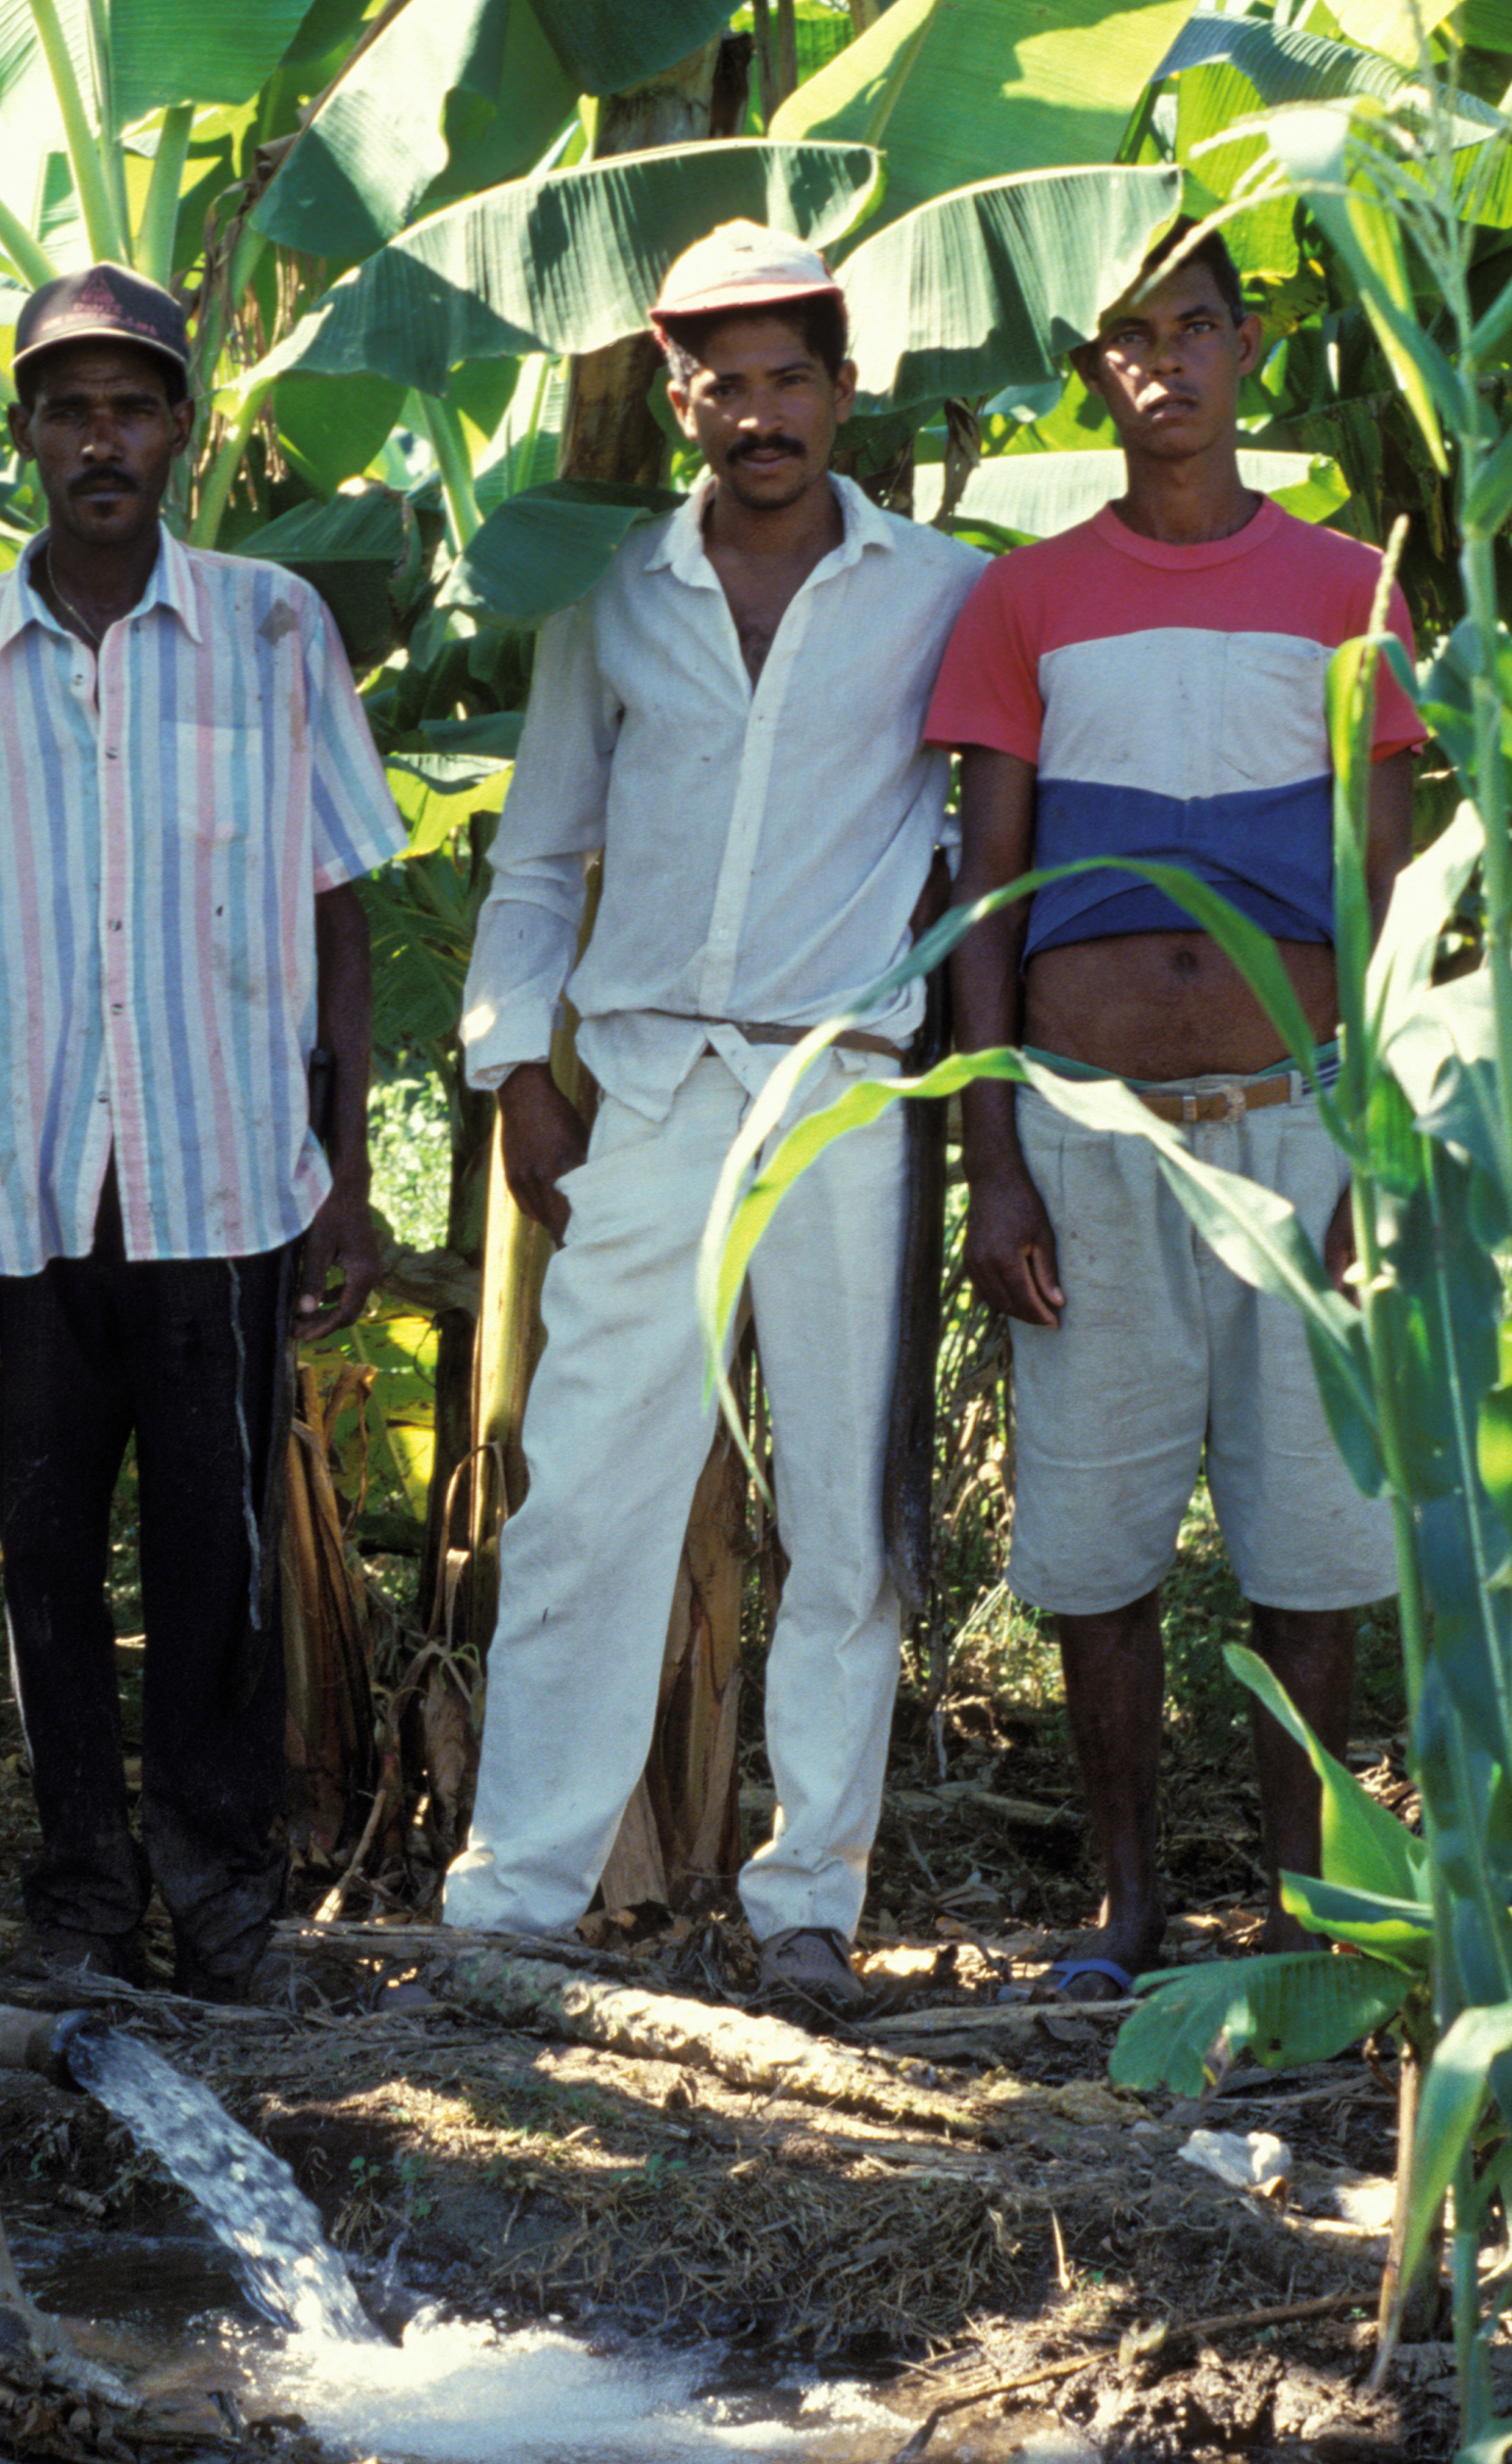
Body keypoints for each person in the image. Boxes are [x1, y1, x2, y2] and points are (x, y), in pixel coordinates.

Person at [438, 223, 989, 2007]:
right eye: (721, 382)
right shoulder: (612, 598)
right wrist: (518, 1063)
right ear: (678, 398)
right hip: (654, 1085)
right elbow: (536, 859)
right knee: (591, 1490)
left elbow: (990, 843)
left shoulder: (938, 590)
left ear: (843, 387)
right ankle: (519, 1892)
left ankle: (808, 1899)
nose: (758, 415)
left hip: (839, 1087)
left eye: (788, 378)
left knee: (843, 1508)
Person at [0, 264, 410, 2005]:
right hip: (24, 1200)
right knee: (42, 1565)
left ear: (181, 428)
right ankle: (81, 1901)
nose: (99, 439)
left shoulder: (267, 627)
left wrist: (345, 1179)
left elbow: (337, 903)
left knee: (216, 1567)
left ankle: (220, 1895)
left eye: (131, 405)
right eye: (66, 407)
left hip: (224, 1179)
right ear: (21, 432)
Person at [925, 229, 1424, 2002]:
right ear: (1093, 368)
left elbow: (1390, 894)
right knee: (1095, 1531)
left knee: (1311, 1531)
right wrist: (993, 1162)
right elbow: (986, 893)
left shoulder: (1350, 584)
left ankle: (1306, 1902)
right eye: (1129, 336)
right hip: (1087, 1129)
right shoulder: (1024, 596)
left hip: (1296, 1123)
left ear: (1247, 349)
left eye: (1195, 326)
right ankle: (1126, 1904)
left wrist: (1376, 1143)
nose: (1165, 362)